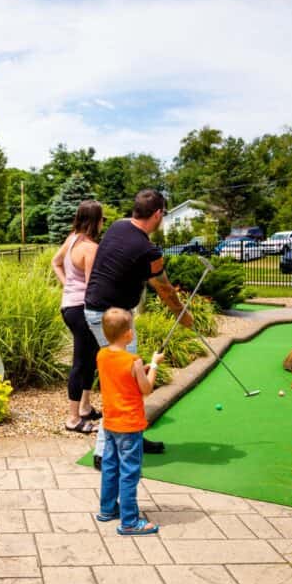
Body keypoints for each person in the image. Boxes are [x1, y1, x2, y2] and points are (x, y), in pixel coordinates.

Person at [85, 189, 192, 466]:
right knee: (125, 383)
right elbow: (164, 288)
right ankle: (102, 453)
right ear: (157, 214)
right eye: (163, 215)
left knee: (122, 379)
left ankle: (135, 434)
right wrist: (182, 314)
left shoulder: (119, 226)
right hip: (112, 318)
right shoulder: (149, 251)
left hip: (98, 311)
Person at [94, 307, 163, 535]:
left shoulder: (101, 355)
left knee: (110, 466)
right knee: (129, 471)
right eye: (131, 328)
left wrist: (139, 371)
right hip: (130, 424)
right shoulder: (134, 360)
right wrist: (153, 365)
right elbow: (146, 389)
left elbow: (121, 379)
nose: (132, 331)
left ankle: (106, 509)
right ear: (127, 334)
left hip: (111, 423)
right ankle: (130, 522)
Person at [52, 199, 104, 433]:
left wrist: (68, 287)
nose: (103, 223)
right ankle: (73, 419)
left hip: (69, 307)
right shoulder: (91, 249)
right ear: (95, 221)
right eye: (102, 218)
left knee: (90, 358)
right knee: (81, 362)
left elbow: (56, 263)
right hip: (82, 310)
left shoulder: (72, 238)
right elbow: (94, 288)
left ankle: (85, 407)